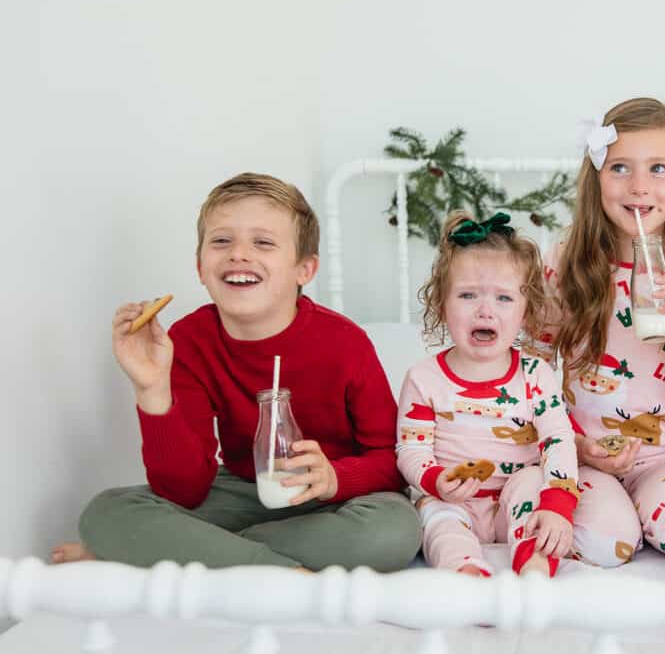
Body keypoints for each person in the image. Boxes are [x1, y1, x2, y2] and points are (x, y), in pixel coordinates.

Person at [52, 172, 420, 571]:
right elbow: (184, 490)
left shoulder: (345, 342)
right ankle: (288, 573)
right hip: (245, 492)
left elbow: (390, 460)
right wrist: (153, 391)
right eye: (221, 241)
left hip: (335, 499)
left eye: (262, 242)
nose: (238, 254)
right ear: (200, 266)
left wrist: (335, 478)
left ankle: (189, 551)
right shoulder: (188, 340)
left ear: (305, 269)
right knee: (107, 511)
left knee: (393, 531)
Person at [534, 97, 665, 567]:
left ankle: (649, 510)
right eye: (620, 167)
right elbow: (532, 374)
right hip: (580, 453)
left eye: (659, 169)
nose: (640, 186)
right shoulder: (565, 261)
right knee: (608, 545)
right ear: (596, 180)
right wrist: (574, 446)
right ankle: (613, 512)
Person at [396, 211, 579, 577]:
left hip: (514, 495)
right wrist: (436, 481)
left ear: (527, 312)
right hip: (453, 500)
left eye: (504, 298)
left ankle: (535, 565)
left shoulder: (536, 376)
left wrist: (558, 504)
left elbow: (558, 440)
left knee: (532, 483)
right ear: (441, 306)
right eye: (467, 295)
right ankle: (465, 571)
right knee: (435, 518)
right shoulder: (423, 379)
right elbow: (411, 450)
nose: (485, 310)